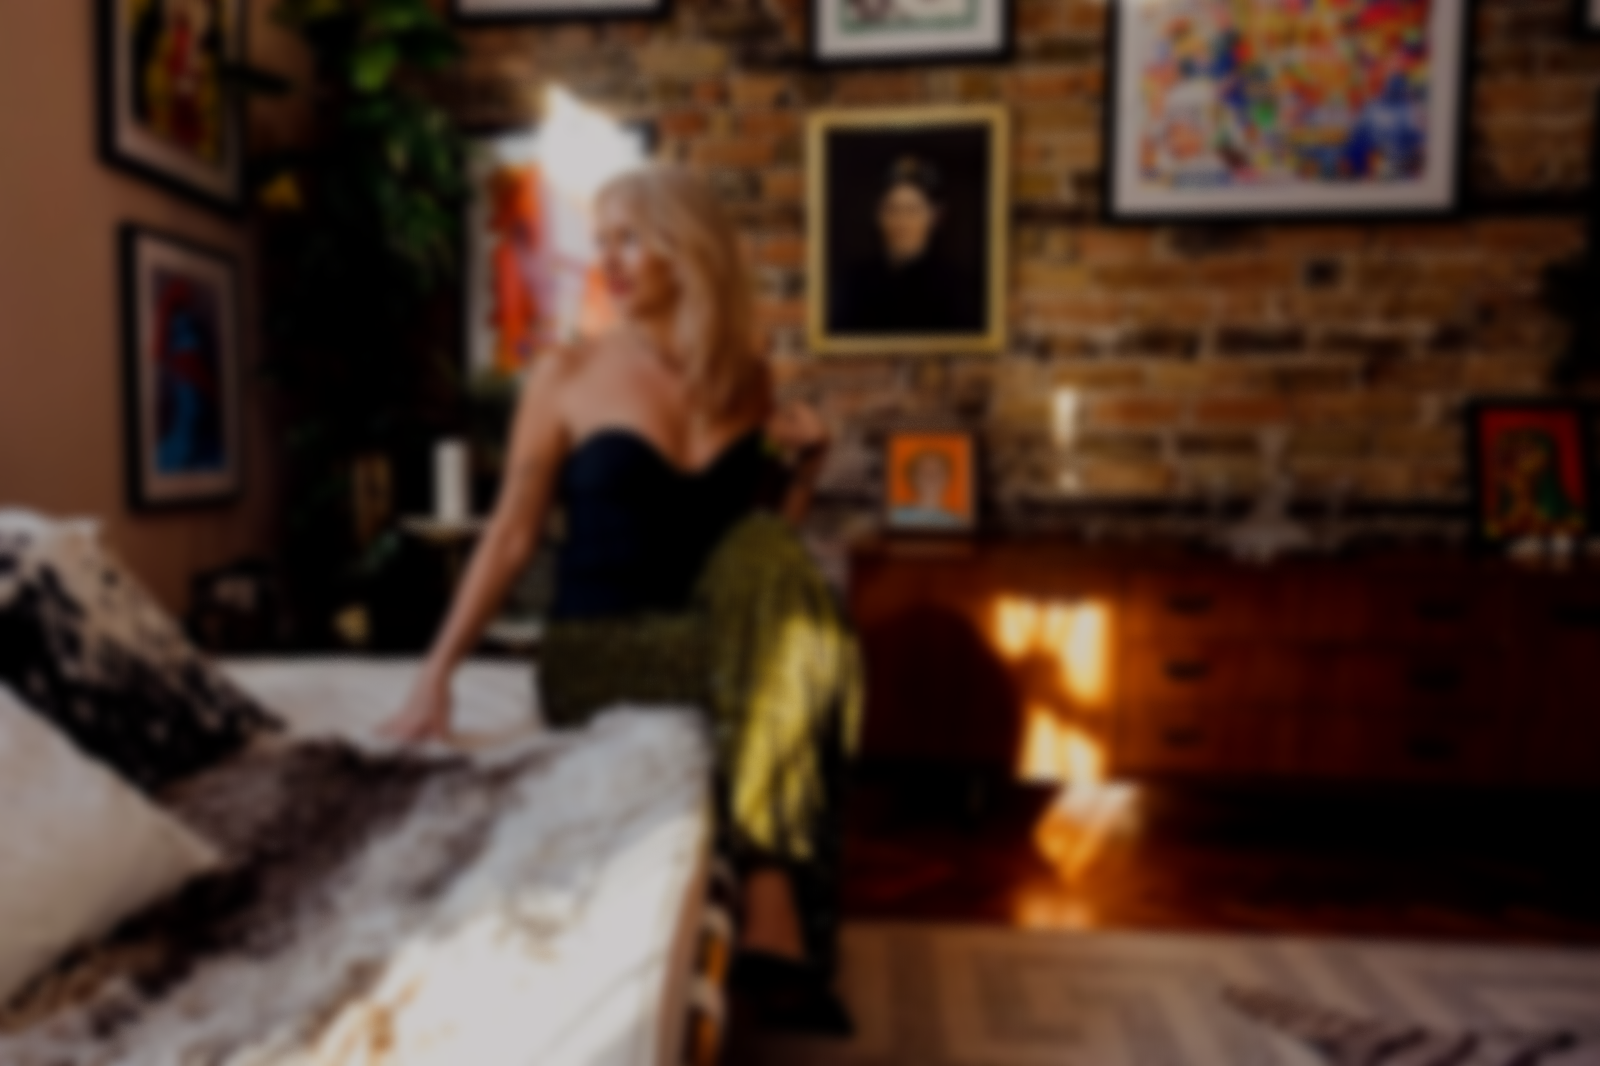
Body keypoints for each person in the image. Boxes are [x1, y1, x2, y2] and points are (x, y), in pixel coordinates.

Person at [380, 165, 857, 1031]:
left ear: (688, 247)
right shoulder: (566, 375)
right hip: (597, 649)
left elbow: (759, 556)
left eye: (630, 239)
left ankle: (770, 905)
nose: (609, 261)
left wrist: (806, 474)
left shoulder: (748, 379)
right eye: (602, 243)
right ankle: (776, 899)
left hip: (709, 630)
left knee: (776, 583)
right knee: (805, 658)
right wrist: (434, 675)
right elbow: (511, 534)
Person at [830, 155, 982, 334]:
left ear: (936, 217)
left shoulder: (956, 287)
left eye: (912, 211)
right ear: (878, 216)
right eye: (892, 210)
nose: (902, 223)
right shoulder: (854, 284)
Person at [890, 448, 965, 529]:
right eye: (924, 471)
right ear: (913, 477)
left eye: (938, 471)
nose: (931, 477)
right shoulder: (893, 517)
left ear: (948, 478)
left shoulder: (956, 524)